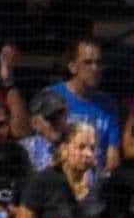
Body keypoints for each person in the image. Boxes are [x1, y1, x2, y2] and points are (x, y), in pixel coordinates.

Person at [49, 39, 121, 171]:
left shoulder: (109, 104)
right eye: (88, 62)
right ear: (72, 67)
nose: (95, 68)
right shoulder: (52, 97)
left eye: (98, 63)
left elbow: (113, 158)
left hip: (96, 180)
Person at [21, 88, 69, 172]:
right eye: (51, 118)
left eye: (61, 116)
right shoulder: (24, 150)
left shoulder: (77, 146)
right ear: (35, 123)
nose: (58, 122)